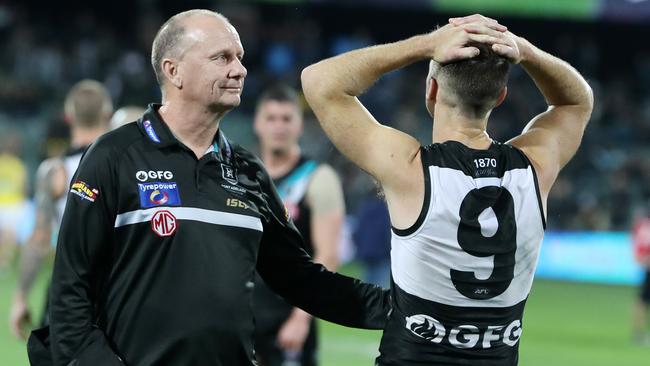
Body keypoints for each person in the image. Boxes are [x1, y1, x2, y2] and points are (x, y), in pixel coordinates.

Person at [31, 10, 388, 366]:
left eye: (240, 58)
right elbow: (69, 291)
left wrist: (400, 308)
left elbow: (301, 279)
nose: (239, 69)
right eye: (222, 58)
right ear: (174, 71)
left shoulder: (248, 172)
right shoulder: (114, 157)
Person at [302, 14, 593, 365]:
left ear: (433, 89)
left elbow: (319, 81)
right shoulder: (535, 167)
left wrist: (426, 43)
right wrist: (526, 51)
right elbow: (576, 102)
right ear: (501, 96)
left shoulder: (410, 168)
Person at [9, 80, 112, 340]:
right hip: (117, 288)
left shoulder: (55, 171)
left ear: (68, 117)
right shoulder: (125, 166)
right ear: (107, 115)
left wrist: (21, 296)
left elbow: (39, 239)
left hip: (69, 290)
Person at [252, 85, 345, 366]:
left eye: (286, 118)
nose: (278, 126)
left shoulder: (318, 177)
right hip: (243, 317)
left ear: (299, 125)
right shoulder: (243, 175)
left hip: (289, 318)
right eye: (271, 118)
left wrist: (300, 318)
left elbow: (328, 256)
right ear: (257, 123)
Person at [632, 201, 650, 345]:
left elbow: (638, 250)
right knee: (642, 301)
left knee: (641, 301)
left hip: (646, 266)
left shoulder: (642, 226)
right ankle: (639, 334)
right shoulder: (646, 227)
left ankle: (638, 334)